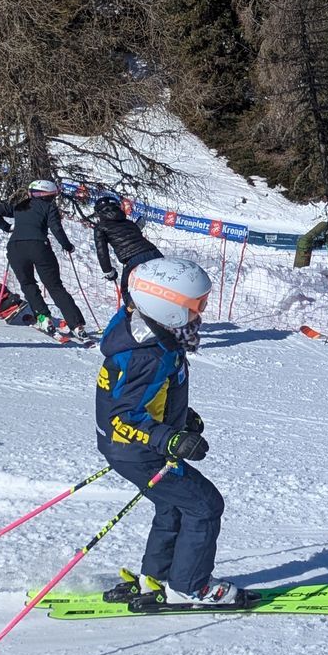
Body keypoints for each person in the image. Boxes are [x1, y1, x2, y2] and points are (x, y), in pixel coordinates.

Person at [94, 257, 248, 607]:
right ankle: (189, 586)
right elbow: (123, 417)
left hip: (132, 448)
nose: (201, 313)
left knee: (173, 507)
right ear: (169, 308)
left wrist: (181, 419)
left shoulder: (147, 332)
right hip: (139, 450)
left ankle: (157, 578)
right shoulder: (149, 355)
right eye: (197, 305)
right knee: (205, 505)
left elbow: (148, 396)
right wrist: (171, 439)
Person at [0, 179, 88, 338]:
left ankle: (43, 318)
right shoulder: (49, 207)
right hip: (39, 247)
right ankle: (76, 325)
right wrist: (67, 245)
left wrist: (7, 227)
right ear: (48, 195)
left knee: (28, 284)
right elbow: (56, 228)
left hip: (15, 248)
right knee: (55, 286)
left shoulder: (20, 206)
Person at [89, 193, 160, 300]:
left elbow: (102, 251)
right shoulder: (129, 223)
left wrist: (108, 271)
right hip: (154, 253)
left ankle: (133, 310)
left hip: (134, 260)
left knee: (127, 292)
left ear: (99, 213)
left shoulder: (100, 227)